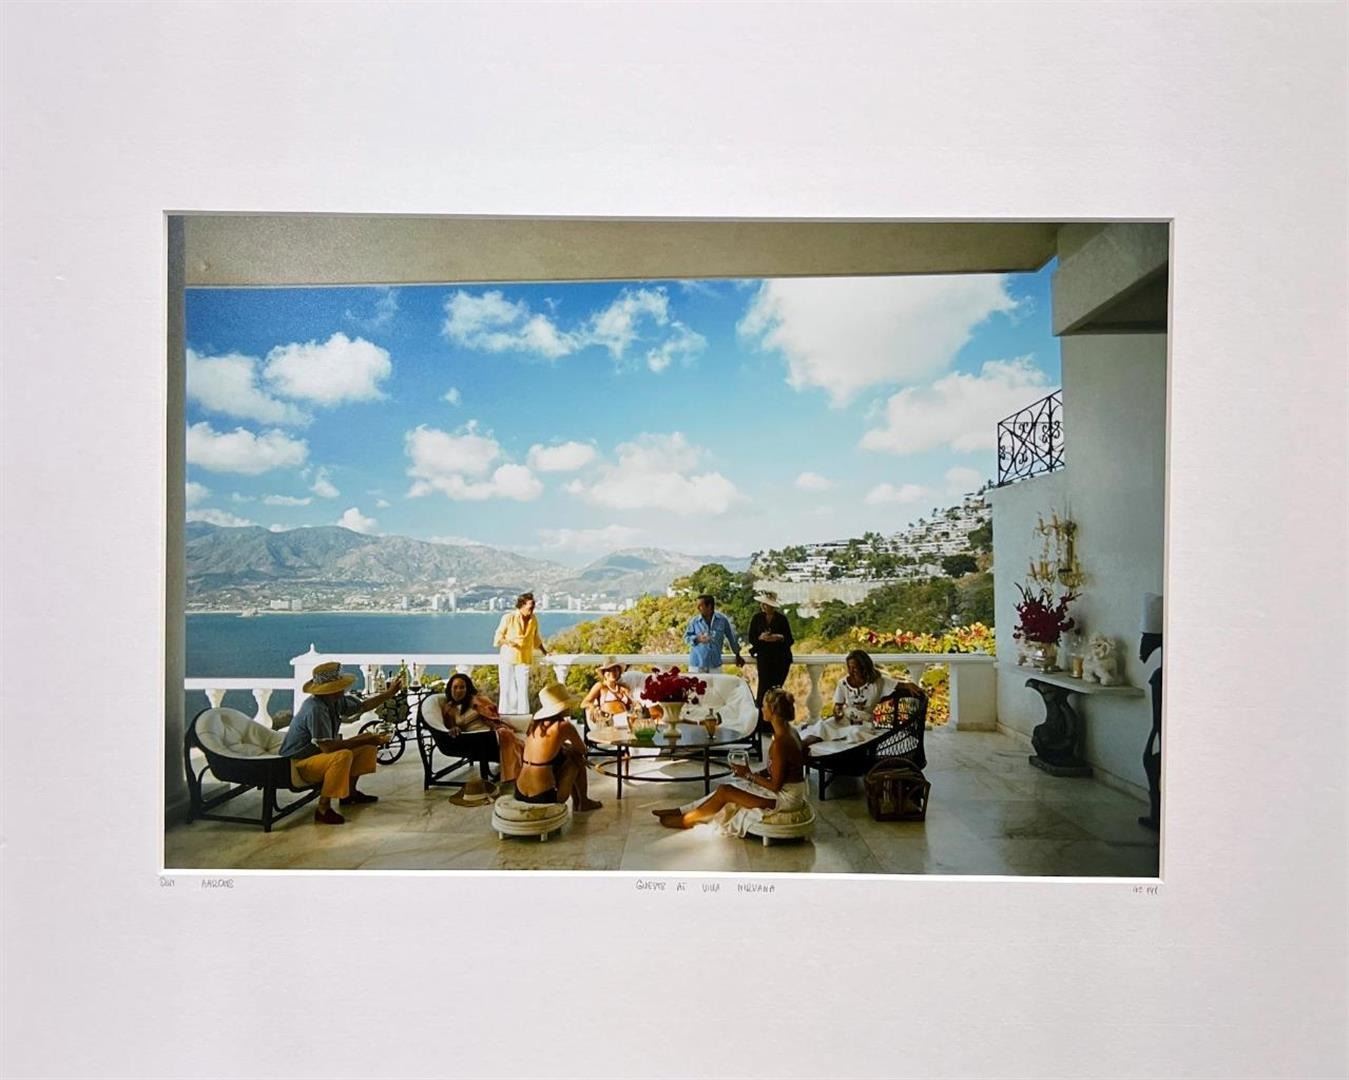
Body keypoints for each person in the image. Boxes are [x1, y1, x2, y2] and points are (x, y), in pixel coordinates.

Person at [654, 687, 806, 834]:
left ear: (772, 710)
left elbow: (774, 786)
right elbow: (779, 769)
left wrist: (749, 775)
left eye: (764, 706)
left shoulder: (781, 742)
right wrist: (751, 774)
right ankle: (682, 811)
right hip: (787, 792)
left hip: (785, 800)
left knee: (725, 791)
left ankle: (687, 820)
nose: (761, 709)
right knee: (731, 787)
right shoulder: (789, 732)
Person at [279, 661, 404, 825]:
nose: (344, 688)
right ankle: (323, 808)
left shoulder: (334, 701)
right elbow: (327, 747)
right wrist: (364, 738)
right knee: (342, 755)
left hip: (317, 755)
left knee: (366, 745)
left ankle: (350, 794)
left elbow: (362, 706)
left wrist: (389, 694)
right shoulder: (316, 709)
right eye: (340, 685)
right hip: (298, 764)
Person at [799, 649, 918, 747]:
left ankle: (843, 754)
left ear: (864, 667)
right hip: (845, 720)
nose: (852, 671)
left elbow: (900, 684)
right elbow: (837, 706)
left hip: (864, 723)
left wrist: (911, 686)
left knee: (855, 732)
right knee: (823, 725)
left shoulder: (877, 683)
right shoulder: (843, 683)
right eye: (849, 667)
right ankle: (802, 746)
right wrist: (837, 712)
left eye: (855, 667)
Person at [515, 682, 603, 811]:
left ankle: (579, 802)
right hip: (544, 796)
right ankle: (583, 802)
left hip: (519, 792)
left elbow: (545, 749)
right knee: (577, 758)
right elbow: (582, 749)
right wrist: (570, 750)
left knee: (568, 755)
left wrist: (565, 748)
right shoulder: (563, 726)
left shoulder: (535, 726)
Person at [441, 671, 523, 784]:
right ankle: (517, 774)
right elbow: (450, 726)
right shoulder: (449, 708)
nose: (458, 691)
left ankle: (525, 772)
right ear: (450, 688)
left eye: (462, 687)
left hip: (491, 732)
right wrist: (454, 728)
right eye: (455, 687)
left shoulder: (477, 701)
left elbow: (493, 715)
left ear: (467, 689)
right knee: (506, 737)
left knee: (508, 735)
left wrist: (480, 704)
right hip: (475, 740)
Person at [493, 591, 547, 715]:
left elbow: (536, 638)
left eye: (533, 606)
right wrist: (508, 642)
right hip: (508, 657)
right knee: (506, 689)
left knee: (523, 690)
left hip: (524, 658)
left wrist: (545, 652)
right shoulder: (509, 618)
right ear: (522, 605)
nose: (532, 609)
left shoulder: (533, 619)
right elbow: (498, 637)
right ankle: (504, 716)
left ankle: (523, 716)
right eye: (530, 606)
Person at [746, 590, 794, 726]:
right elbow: (751, 638)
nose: (763, 606)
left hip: (781, 659)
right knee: (763, 690)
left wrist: (779, 637)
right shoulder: (757, 618)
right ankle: (761, 723)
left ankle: (776, 722)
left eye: (766, 604)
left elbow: (789, 639)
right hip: (765, 658)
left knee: (777, 691)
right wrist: (761, 638)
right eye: (762, 603)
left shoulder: (782, 619)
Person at [682, 593, 744, 673]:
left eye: (700, 605)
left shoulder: (722, 620)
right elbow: (686, 638)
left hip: (715, 665)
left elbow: (731, 638)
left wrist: (737, 654)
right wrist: (697, 639)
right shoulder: (694, 621)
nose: (698, 608)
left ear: (709, 606)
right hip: (697, 665)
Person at [581, 656, 642, 727]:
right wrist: (592, 707)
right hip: (608, 722)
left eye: (615, 670)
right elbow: (584, 703)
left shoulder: (624, 688)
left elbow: (632, 705)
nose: (612, 673)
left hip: (624, 722)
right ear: (604, 673)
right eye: (609, 670)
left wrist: (636, 704)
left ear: (619, 672)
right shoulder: (600, 686)